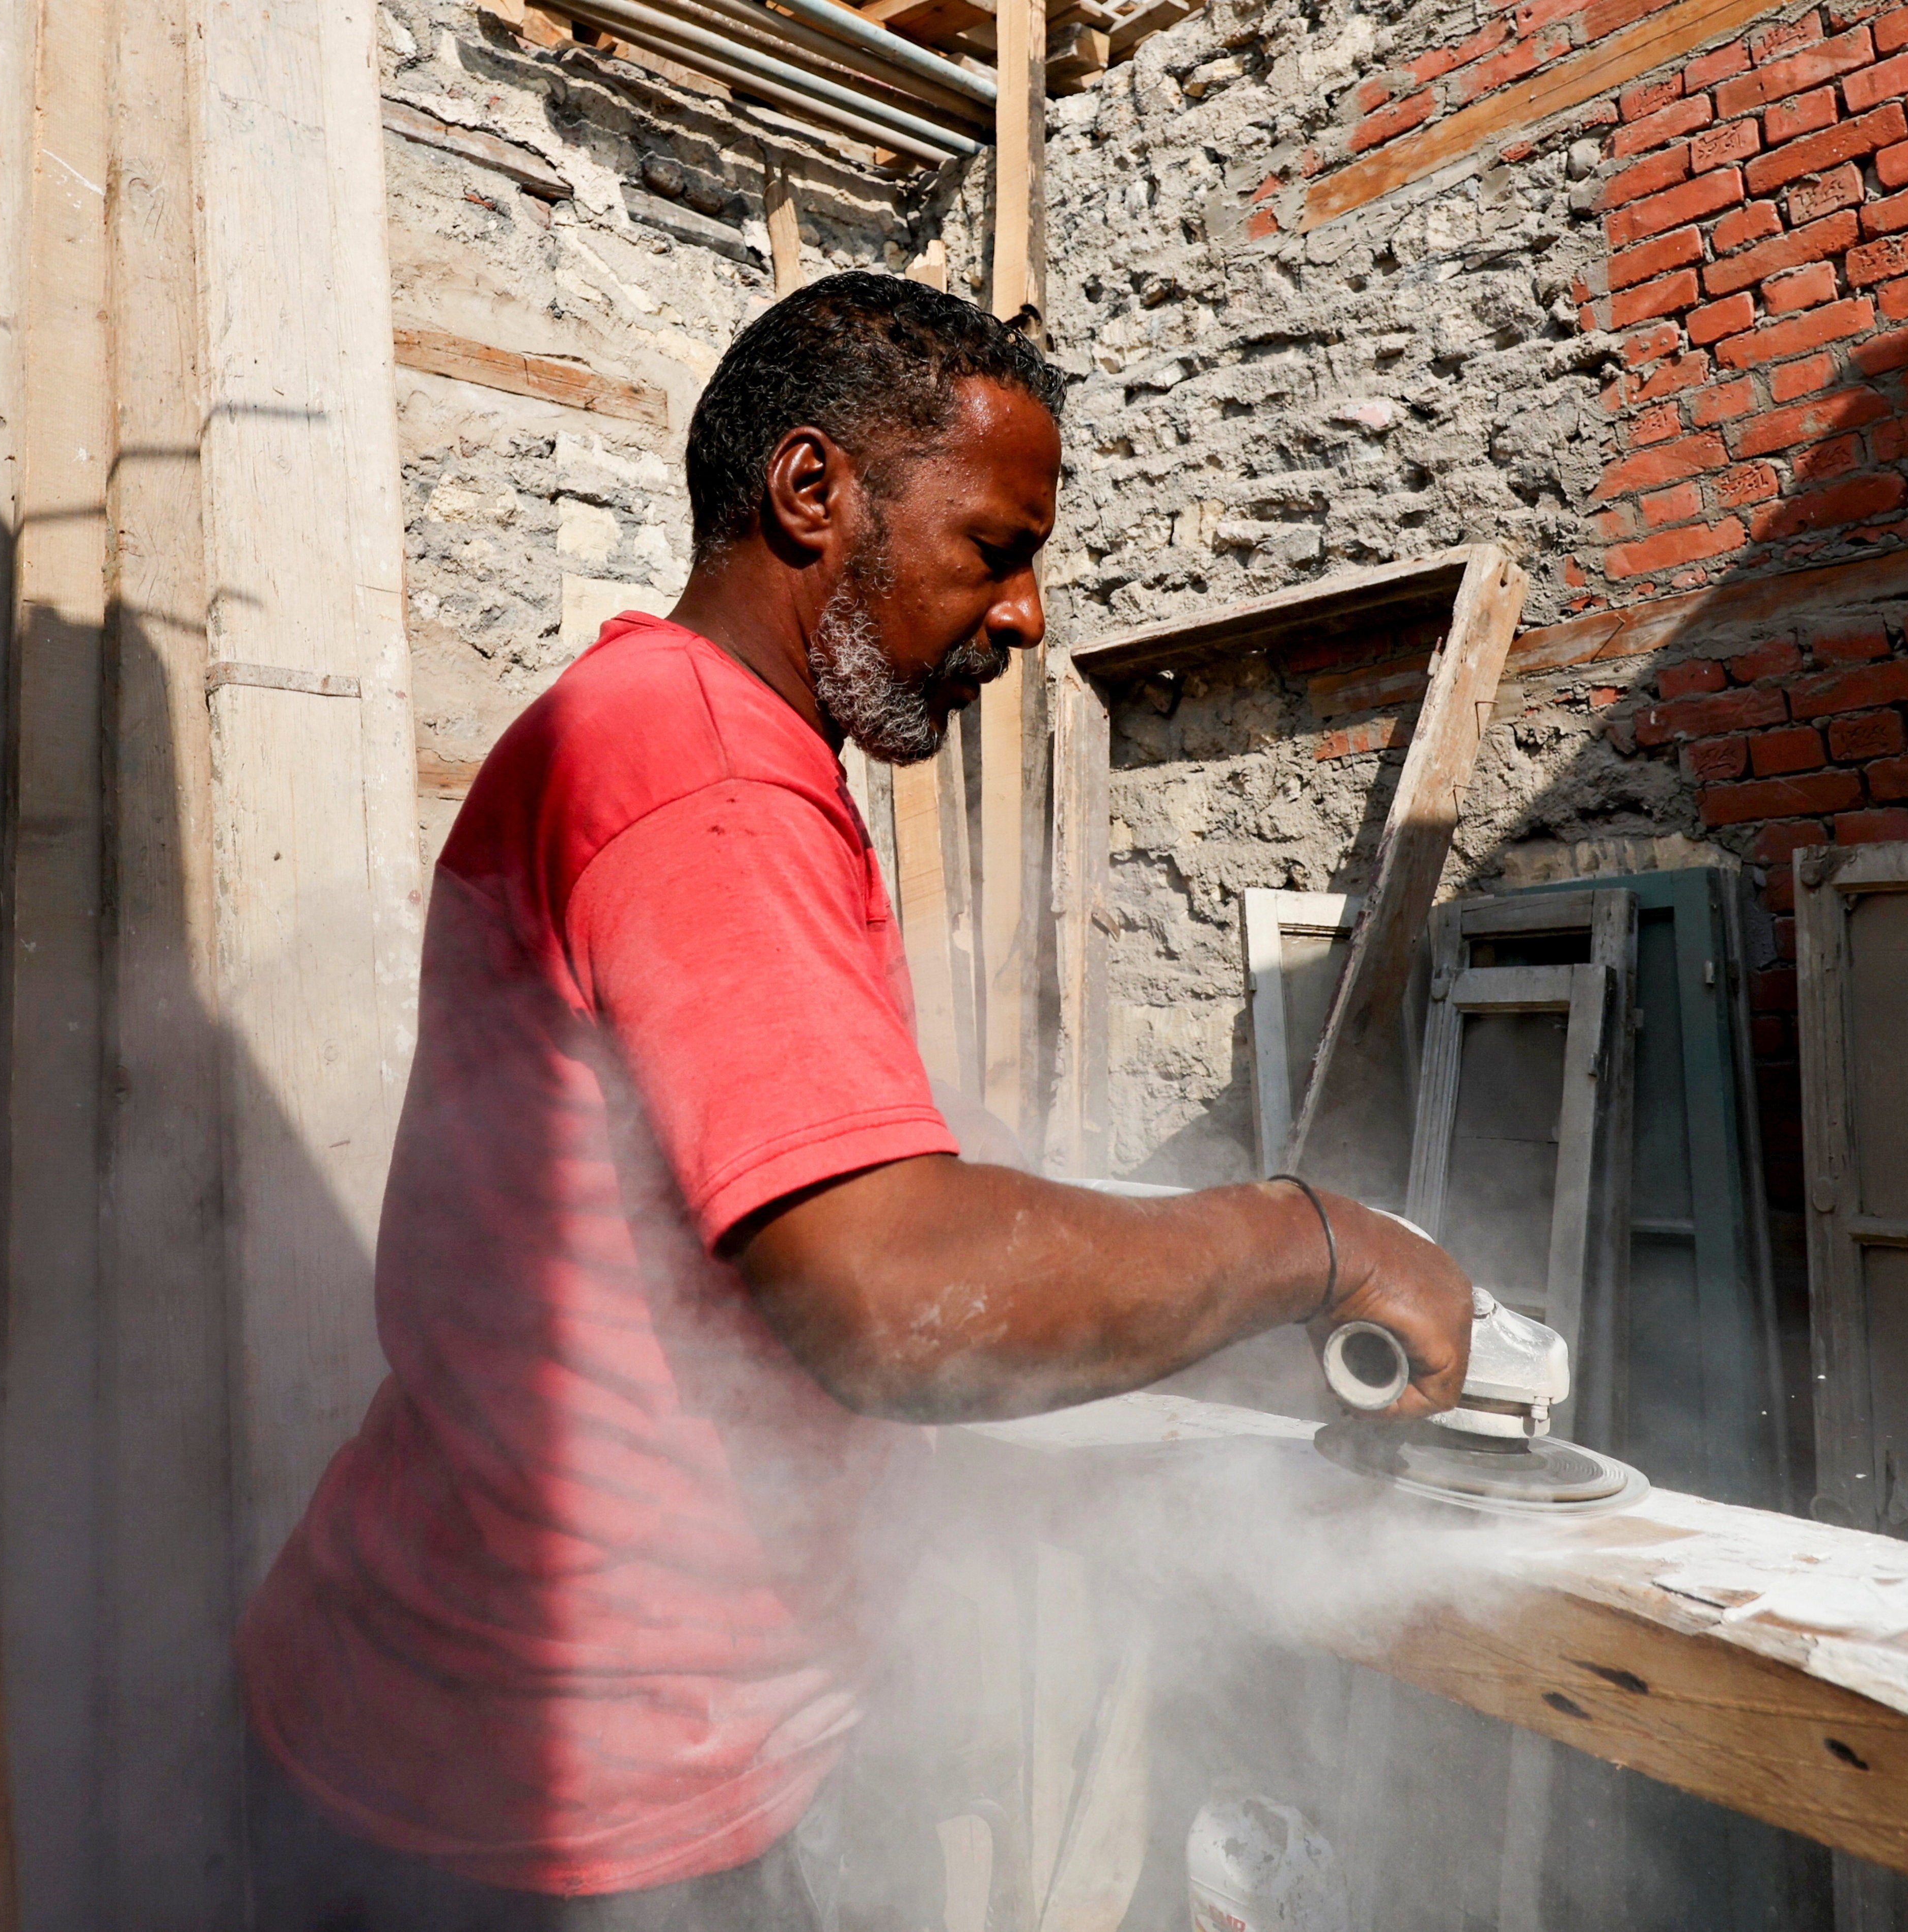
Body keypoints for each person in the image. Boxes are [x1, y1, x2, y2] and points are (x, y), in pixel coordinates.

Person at [236, 271, 1474, 1929]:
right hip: (542, 1815)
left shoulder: (649, 727)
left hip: (432, 1725)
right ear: (812, 493)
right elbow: (887, 1297)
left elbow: (702, 1297)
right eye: (997, 548)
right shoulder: (706, 774)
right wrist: (1305, 1240)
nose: (1028, 618)